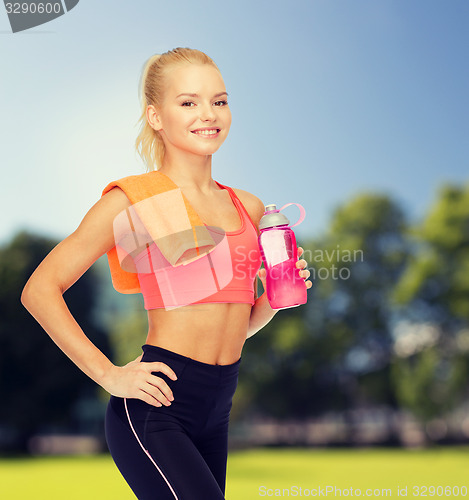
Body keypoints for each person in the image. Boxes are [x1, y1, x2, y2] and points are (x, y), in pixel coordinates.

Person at [21, 47, 312, 500]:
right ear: (156, 117)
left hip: (218, 408)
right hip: (157, 406)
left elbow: (237, 324)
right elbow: (40, 289)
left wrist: (273, 299)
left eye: (219, 100)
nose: (208, 114)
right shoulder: (132, 201)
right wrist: (109, 375)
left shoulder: (249, 207)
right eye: (188, 102)